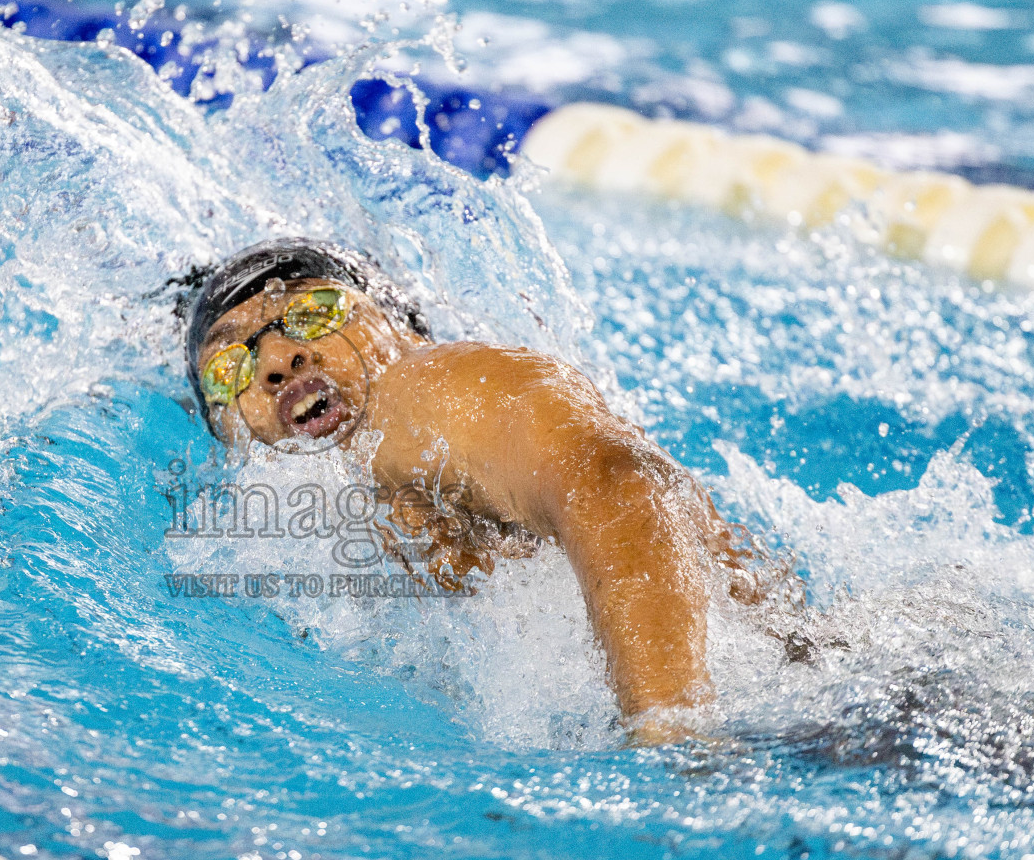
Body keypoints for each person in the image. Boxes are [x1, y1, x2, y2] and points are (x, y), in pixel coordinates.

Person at [182, 238, 772, 742]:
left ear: (396, 322)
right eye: (228, 366)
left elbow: (616, 481)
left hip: (772, 725)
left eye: (314, 311)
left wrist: (673, 737)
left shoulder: (413, 391)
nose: (278, 359)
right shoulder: (293, 523)